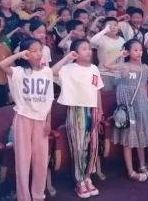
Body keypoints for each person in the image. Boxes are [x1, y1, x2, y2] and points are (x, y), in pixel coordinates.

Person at [0, 38, 54, 201]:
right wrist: (19, 55)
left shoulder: (47, 72)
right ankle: (24, 197)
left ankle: (37, 195)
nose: (38, 53)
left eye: (40, 50)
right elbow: (1, 65)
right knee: (23, 161)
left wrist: (48, 121)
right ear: (26, 54)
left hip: (41, 119)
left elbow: (49, 99)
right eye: (33, 51)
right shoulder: (18, 72)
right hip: (23, 118)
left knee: (41, 161)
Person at [52, 39, 103, 199]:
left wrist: (100, 109)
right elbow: (51, 72)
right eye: (84, 49)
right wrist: (67, 57)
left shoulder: (94, 68)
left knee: (93, 146)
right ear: (75, 52)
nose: (88, 51)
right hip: (77, 110)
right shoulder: (68, 69)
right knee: (79, 147)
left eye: (89, 48)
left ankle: (88, 177)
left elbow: (97, 90)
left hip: (92, 109)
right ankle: (79, 180)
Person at [103, 40, 148, 183]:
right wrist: (119, 54)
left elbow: (145, 88)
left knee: (140, 134)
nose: (139, 52)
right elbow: (106, 65)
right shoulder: (124, 66)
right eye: (135, 50)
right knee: (128, 137)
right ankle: (130, 171)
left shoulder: (144, 68)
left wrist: (145, 105)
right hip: (127, 107)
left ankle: (142, 165)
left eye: (140, 50)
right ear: (128, 52)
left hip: (141, 106)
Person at [89, 17, 125, 90]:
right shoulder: (101, 39)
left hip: (118, 74)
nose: (113, 27)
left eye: (115, 25)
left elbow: (122, 58)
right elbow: (92, 41)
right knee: (106, 95)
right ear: (104, 28)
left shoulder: (122, 40)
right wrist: (105, 30)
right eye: (109, 25)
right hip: (105, 73)